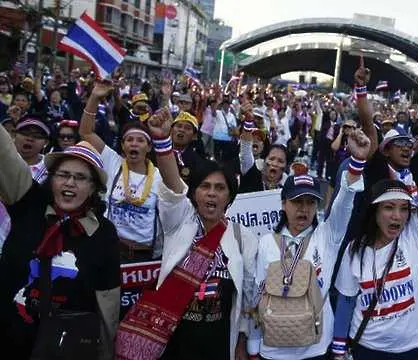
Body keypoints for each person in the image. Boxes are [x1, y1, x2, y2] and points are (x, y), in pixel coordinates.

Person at [115, 108, 257, 360]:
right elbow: (172, 185)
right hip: (172, 339)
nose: (212, 193)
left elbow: (246, 296)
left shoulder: (242, 238)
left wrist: (243, 340)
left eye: (220, 188)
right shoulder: (180, 221)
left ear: (230, 197)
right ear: (195, 194)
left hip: (217, 342)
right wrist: (161, 140)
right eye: (205, 186)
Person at [330, 131, 418, 359]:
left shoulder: (414, 236)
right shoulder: (354, 250)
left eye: (404, 208)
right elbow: (347, 302)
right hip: (367, 349)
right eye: (388, 207)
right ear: (375, 211)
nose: (397, 216)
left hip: (412, 349)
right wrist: (339, 350)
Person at [248, 129, 370, 360]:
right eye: (297, 202)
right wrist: (253, 349)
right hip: (272, 350)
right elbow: (255, 295)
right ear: (283, 204)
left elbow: (344, 203)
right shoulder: (264, 242)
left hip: (316, 347)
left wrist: (357, 162)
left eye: (310, 202)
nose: (304, 209)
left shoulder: (328, 236)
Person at [0, 124, 120, 359]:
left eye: (81, 178)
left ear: (93, 187)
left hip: (65, 348)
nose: (70, 183)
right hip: (8, 338)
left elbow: (108, 301)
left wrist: (105, 354)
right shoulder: (29, 204)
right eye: (63, 175)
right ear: (51, 179)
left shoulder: (103, 233)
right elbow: (4, 155)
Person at [79, 81, 163, 261]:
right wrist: (94, 97)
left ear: (149, 147)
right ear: (123, 146)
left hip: (143, 257)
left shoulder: (158, 177)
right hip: (109, 249)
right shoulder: (113, 162)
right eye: (129, 140)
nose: (134, 143)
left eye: (140, 141)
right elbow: (86, 132)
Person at [14, 116, 51, 184]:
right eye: (25, 133)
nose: (30, 138)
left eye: (37, 136)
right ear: (14, 135)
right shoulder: (3, 160)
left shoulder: (51, 169)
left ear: (46, 142)